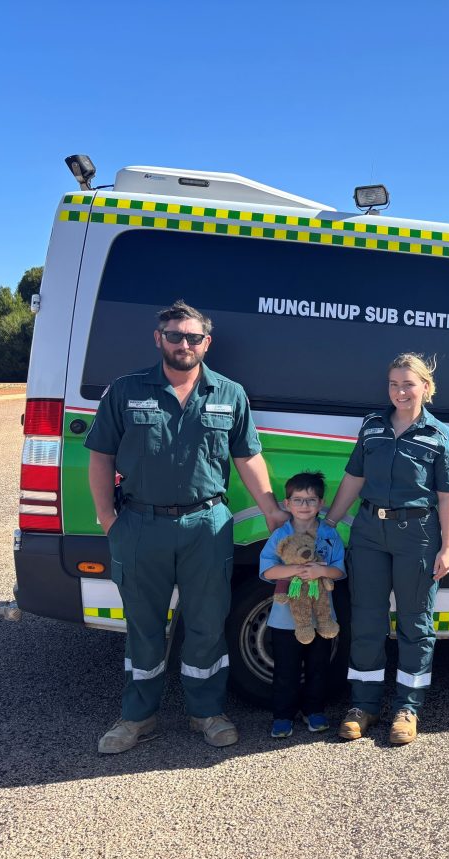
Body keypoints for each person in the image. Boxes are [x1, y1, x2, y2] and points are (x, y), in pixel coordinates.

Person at [86, 300, 288, 754]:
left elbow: (248, 456)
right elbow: (100, 456)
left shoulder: (229, 393)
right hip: (140, 523)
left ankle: (207, 713)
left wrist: (272, 511)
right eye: (174, 335)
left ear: (206, 343)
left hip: (206, 526)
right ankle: (137, 717)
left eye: (193, 337)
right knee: (143, 626)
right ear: (159, 338)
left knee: (207, 623)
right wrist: (107, 518)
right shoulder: (126, 390)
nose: (184, 344)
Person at [324, 353, 449, 745]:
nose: (400, 392)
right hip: (369, 532)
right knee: (367, 619)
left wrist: (447, 547)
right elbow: (354, 478)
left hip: (417, 535)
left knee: (415, 623)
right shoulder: (372, 427)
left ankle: (407, 708)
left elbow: (447, 497)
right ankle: (362, 706)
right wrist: (329, 524)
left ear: (425, 388)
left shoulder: (440, 436)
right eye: (394, 384)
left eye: (408, 384)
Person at [259, 471, 345, 738]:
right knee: (286, 669)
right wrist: (295, 570)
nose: (304, 505)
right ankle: (282, 716)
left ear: (321, 504)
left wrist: (321, 571)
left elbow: (339, 571)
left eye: (311, 500)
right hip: (285, 618)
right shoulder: (280, 536)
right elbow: (267, 570)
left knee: (318, 667)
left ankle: (314, 711)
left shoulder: (330, 535)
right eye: (298, 499)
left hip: (321, 617)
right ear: (287, 504)